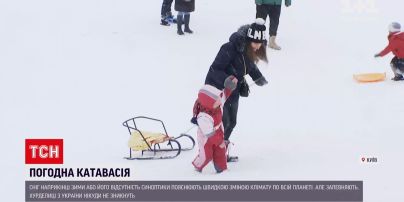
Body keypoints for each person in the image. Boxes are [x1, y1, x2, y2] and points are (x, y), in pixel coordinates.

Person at [204, 18, 269, 162]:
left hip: (233, 90)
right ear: (248, 40)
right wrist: (226, 80)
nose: (258, 47)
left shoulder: (248, 50)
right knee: (222, 122)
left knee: (231, 122)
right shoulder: (229, 48)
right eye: (256, 43)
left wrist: (258, 77)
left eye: (260, 44)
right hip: (217, 90)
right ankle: (213, 151)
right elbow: (215, 69)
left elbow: (249, 66)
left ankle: (221, 151)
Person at [191, 79, 237, 173]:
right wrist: (220, 142)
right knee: (207, 155)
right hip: (206, 138)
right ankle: (198, 165)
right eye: (217, 100)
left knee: (220, 151)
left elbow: (225, 94)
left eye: (219, 98)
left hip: (218, 131)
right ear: (209, 103)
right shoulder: (203, 117)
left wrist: (231, 85)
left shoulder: (218, 103)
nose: (220, 101)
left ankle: (222, 169)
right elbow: (210, 134)